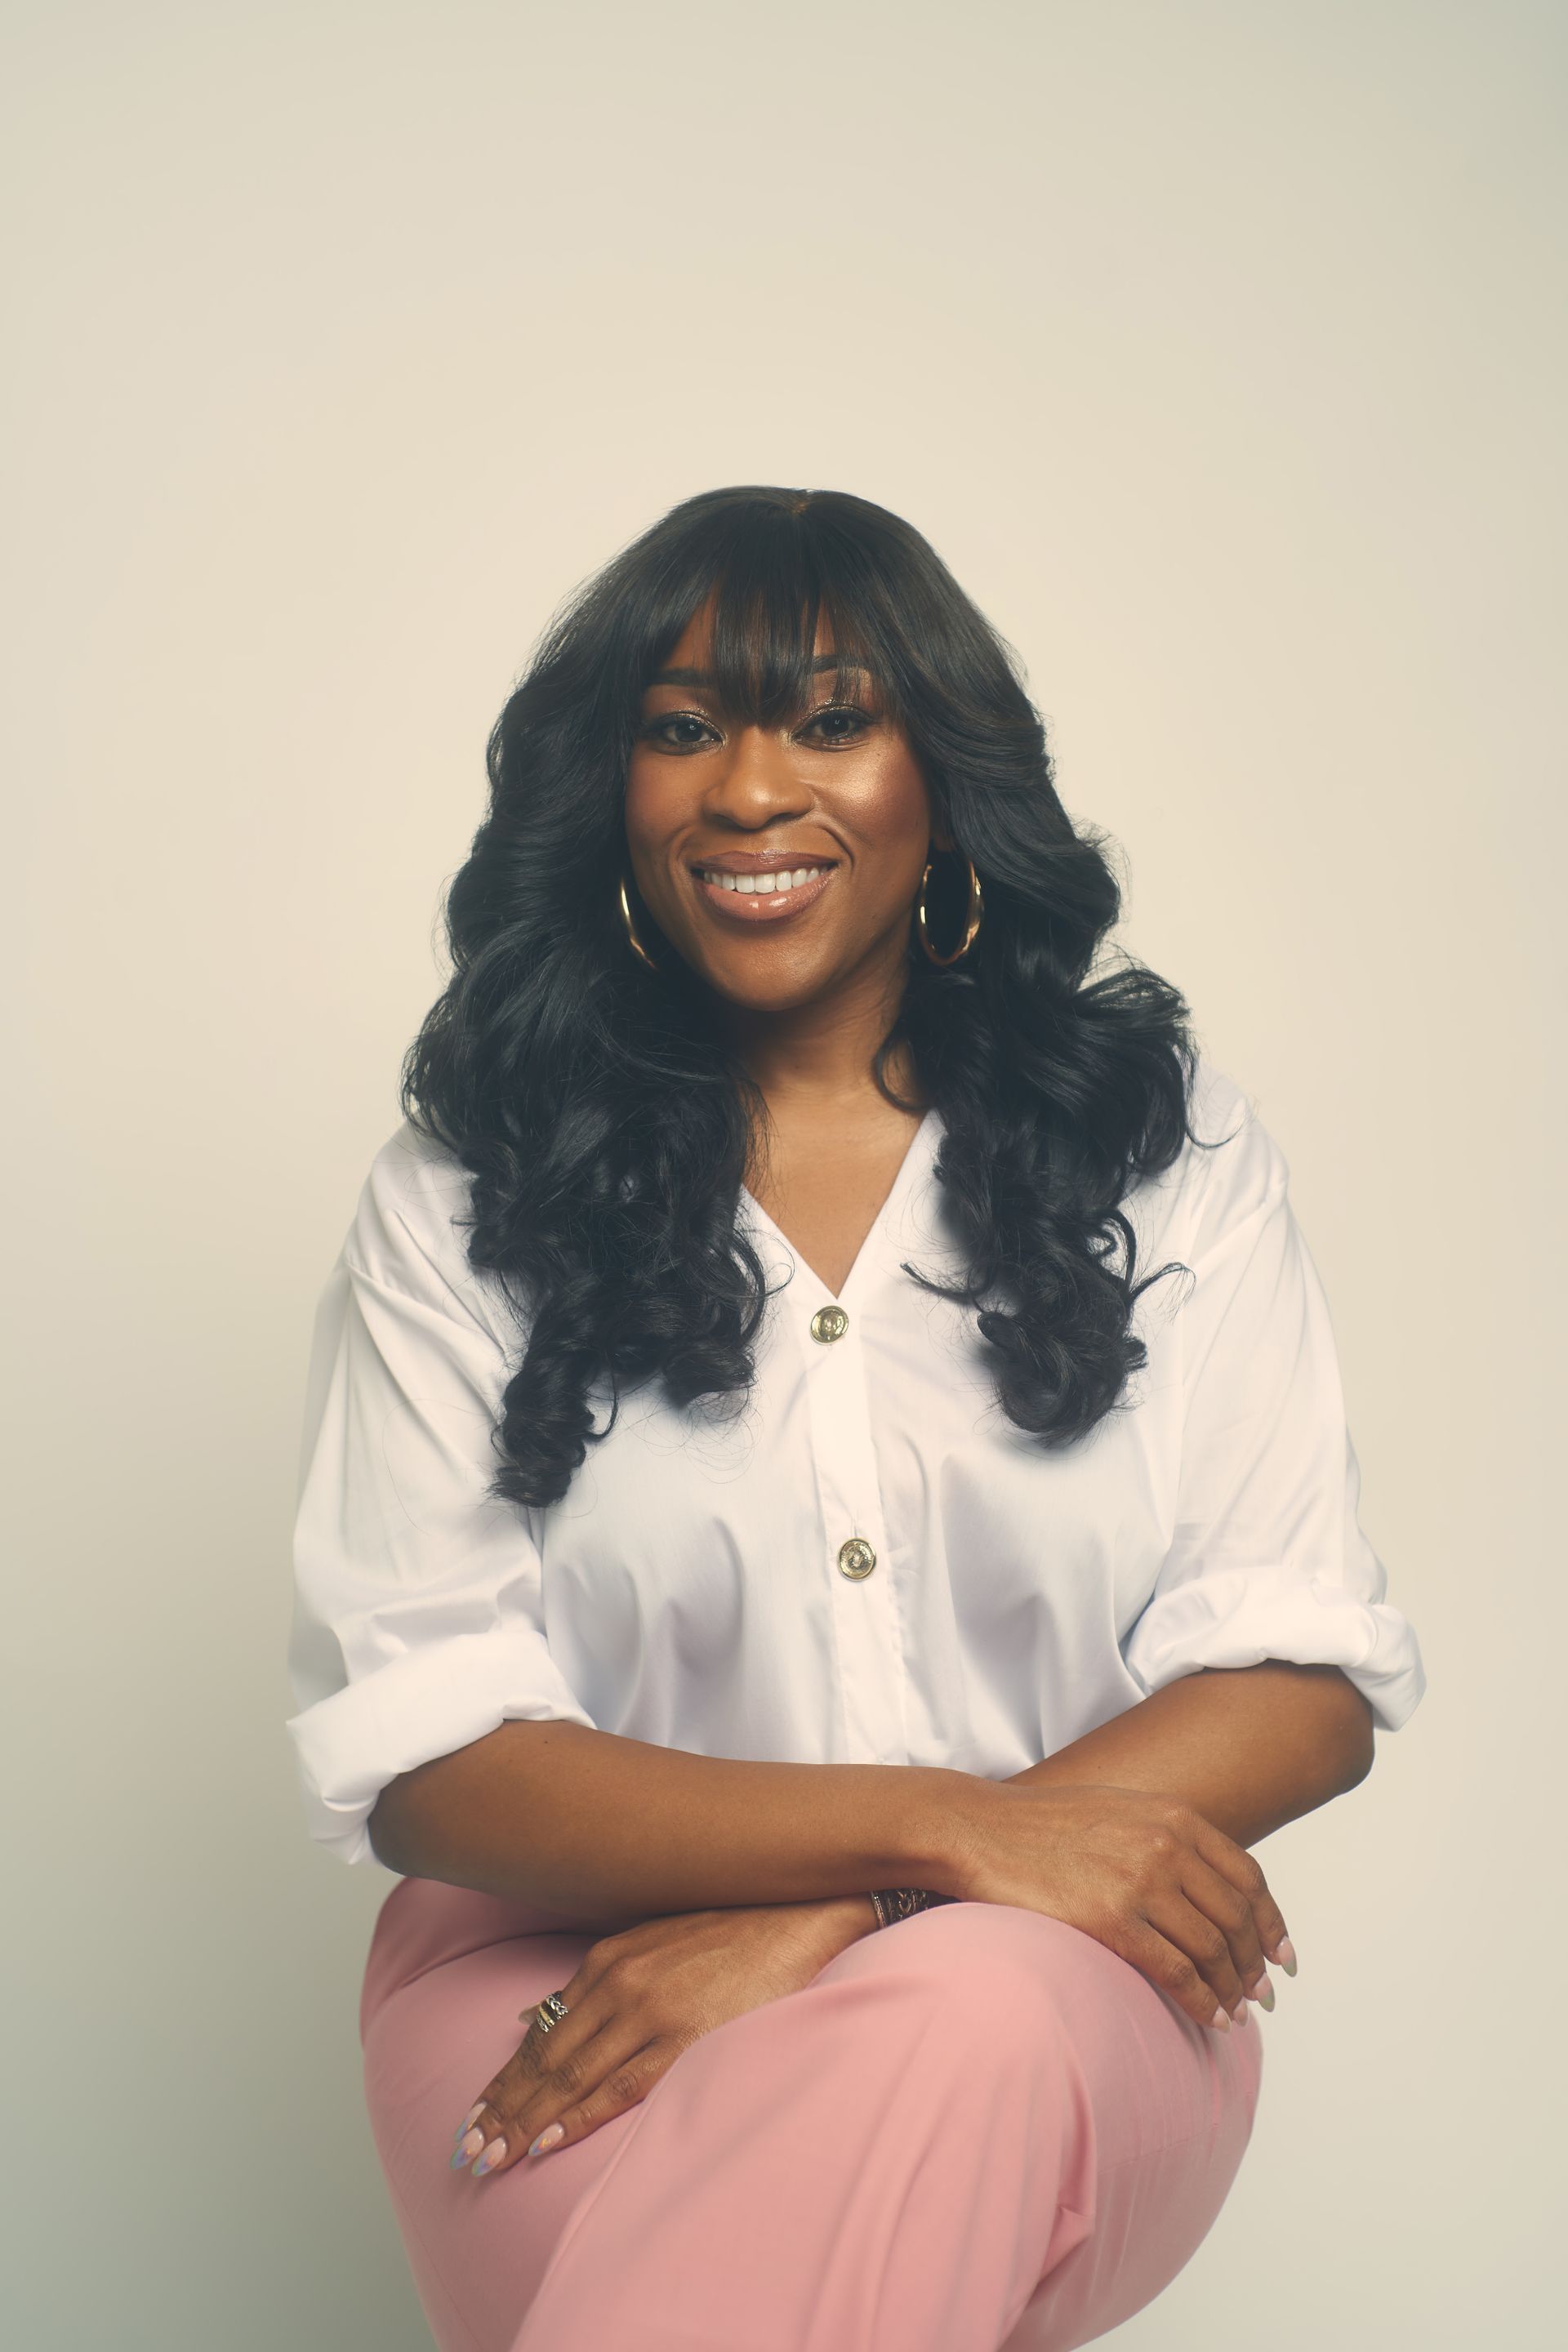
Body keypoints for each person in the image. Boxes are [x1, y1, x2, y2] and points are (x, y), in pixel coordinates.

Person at [284, 485, 1426, 2352]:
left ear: (941, 780)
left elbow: (1295, 1676)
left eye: (828, 719)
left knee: (964, 2019)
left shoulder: (1167, 1157)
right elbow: (437, 1757)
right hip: (568, 1998)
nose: (749, 789)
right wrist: (947, 1842)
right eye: (682, 728)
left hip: (1057, 1981)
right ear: (615, 790)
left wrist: (845, 1916)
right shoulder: (461, 1196)